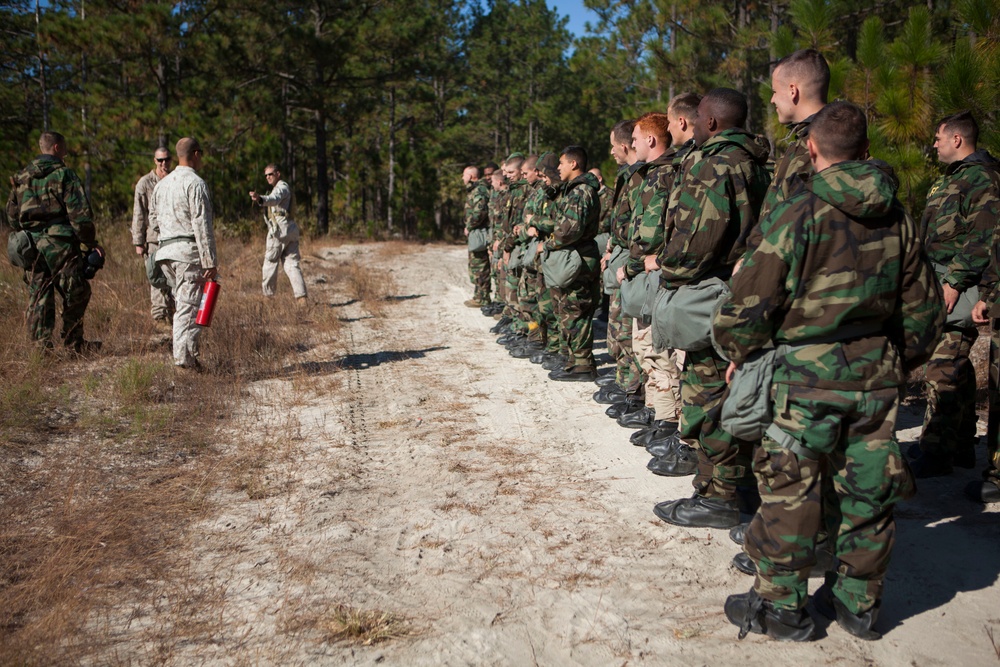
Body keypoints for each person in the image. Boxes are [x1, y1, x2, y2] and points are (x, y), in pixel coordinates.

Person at [714, 101, 943, 641]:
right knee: (868, 489)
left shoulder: (798, 212)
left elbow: (748, 307)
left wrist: (740, 354)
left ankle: (781, 608)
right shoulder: (900, 218)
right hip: (877, 375)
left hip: (805, 378)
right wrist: (893, 361)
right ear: (866, 151)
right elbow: (925, 312)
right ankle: (859, 605)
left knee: (791, 489)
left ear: (811, 149)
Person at [651, 88, 771, 529]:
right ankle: (739, 485)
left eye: (698, 118)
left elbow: (697, 240)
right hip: (749, 291)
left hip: (710, 293)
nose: (691, 125)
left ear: (713, 123)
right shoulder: (760, 163)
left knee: (706, 395)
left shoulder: (713, 164)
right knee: (737, 390)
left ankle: (718, 495)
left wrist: (668, 272)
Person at [912, 111, 1000, 478]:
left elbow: (985, 237)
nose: (934, 144)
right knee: (958, 368)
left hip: (961, 284)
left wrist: (955, 283)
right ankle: (962, 446)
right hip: (941, 278)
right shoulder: (952, 180)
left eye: (938, 137)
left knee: (942, 366)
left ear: (958, 140)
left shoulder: (981, 179)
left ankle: (935, 452)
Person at [6, 131, 102, 353]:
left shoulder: (21, 177)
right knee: (77, 291)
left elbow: (11, 216)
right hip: (60, 245)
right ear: (57, 148)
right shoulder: (65, 175)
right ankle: (73, 343)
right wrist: (90, 243)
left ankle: (41, 349)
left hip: (30, 245)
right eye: (65, 145)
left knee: (39, 294)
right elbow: (80, 216)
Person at [536, 146, 602, 381]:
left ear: (574, 164)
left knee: (576, 310)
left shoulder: (581, 191)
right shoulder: (573, 190)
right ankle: (575, 360)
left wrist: (549, 244)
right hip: (574, 256)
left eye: (562, 163)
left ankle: (583, 364)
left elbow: (568, 230)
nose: (558, 168)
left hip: (579, 258)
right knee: (567, 310)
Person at [152, 137, 218, 370]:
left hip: (165, 252)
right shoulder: (195, 183)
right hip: (188, 253)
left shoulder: (161, 184)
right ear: (196, 154)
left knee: (186, 302)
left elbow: (153, 220)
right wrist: (209, 259)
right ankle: (183, 359)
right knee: (188, 307)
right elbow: (202, 223)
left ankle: (190, 354)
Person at [250, 164, 307, 303]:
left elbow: (274, 199)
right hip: (290, 229)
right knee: (291, 264)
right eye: (266, 175)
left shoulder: (281, 187)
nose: (268, 177)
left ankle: (268, 299)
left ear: (278, 174)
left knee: (270, 263)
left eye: (271, 174)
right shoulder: (282, 187)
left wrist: (260, 199)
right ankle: (301, 298)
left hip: (280, 231)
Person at [132, 146, 175, 325]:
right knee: (156, 278)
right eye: (160, 160)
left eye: (167, 159)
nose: (164, 163)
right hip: (153, 240)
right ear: (155, 161)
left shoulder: (175, 179)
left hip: (173, 238)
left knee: (173, 277)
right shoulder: (145, 183)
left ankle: (174, 315)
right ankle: (159, 317)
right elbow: (139, 213)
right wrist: (138, 241)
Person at [461, 164, 492, 308]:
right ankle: (478, 295)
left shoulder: (479, 190)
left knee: (480, 264)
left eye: (464, 175)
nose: (462, 178)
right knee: (475, 264)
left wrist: (469, 226)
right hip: (476, 231)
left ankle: (483, 298)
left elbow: (480, 212)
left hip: (480, 232)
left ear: (472, 176)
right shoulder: (475, 189)